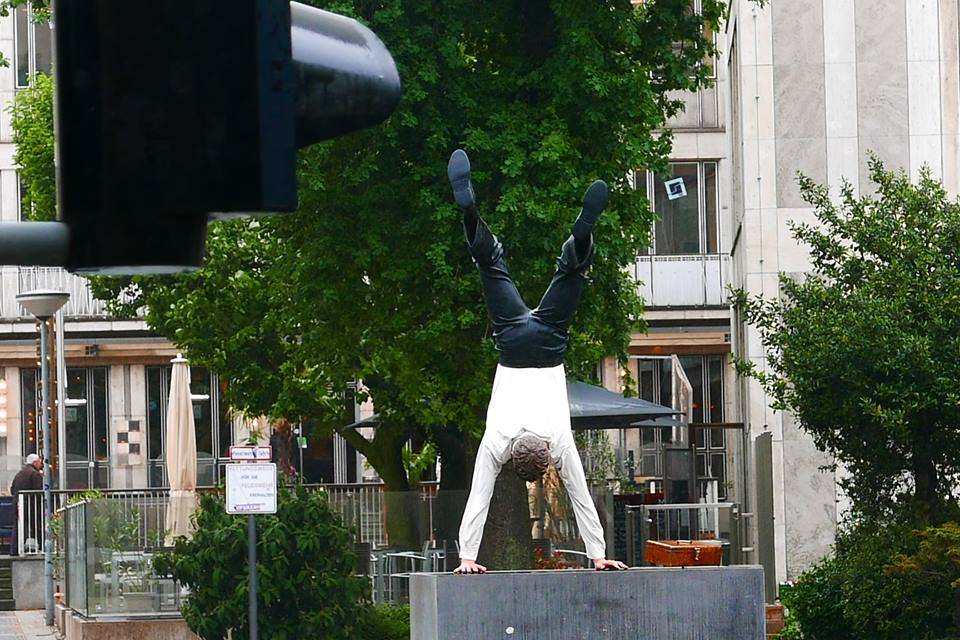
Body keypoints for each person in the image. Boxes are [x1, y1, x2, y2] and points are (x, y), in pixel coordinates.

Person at [448, 149, 628, 574]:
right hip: (512, 343)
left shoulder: (558, 441)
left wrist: (599, 554)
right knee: (490, 263)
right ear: (515, 458)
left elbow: (580, 496)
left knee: (571, 274)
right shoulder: (496, 443)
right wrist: (466, 557)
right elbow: (479, 499)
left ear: (541, 455)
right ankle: (470, 214)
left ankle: (580, 238)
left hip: (548, 344)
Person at [10, 453, 43, 555]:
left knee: (19, 527)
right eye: (39, 461)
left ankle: (15, 550)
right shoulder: (35, 474)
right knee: (37, 526)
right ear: (34, 462)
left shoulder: (19, 473)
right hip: (31, 505)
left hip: (18, 504)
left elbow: (12, 489)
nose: (41, 464)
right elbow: (38, 491)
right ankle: (42, 547)